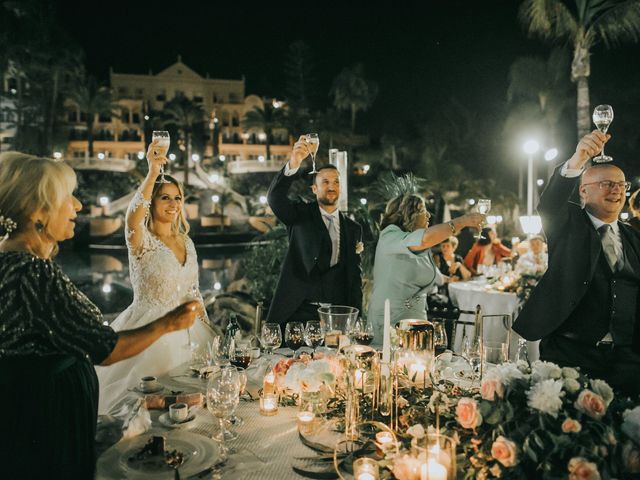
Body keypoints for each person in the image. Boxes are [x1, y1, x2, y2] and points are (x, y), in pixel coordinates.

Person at [0, 152, 199, 478]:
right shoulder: (30, 270)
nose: (78, 206)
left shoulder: (11, 260)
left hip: (23, 414)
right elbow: (106, 349)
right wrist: (169, 322)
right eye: (67, 198)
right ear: (37, 211)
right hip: (46, 420)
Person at [513, 130, 640, 396]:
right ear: (583, 190)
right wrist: (579, 158)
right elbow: (550, 203)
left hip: (626, 358)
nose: (616, 190)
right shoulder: (568, 223)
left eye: (620, 184)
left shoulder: (634, 236)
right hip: (572, 353)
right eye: (606, 183)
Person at [96, 140, 216, 414]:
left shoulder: (186, 241)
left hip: (191, 332)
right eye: (165, 197)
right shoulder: (141, 241)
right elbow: (132, 219)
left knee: (194, 404)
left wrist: (206, 327)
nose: (173, 204)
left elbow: (193, 291)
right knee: (150, 405)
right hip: (149, 330)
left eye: (177, 197)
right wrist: (152, 173)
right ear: (152, 202)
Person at [266, 135, 363, 325]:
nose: (331, 186)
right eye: (325, 182)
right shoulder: (299, 215)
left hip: (337, 315)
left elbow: (354, 278)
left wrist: (357, 317)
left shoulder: (353, 229)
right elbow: (275, 199)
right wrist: (293, 163)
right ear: (314, 189)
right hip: (298, 311)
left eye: (336, 182)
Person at [367, 194, 484, 344]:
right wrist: (462, 222)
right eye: (423, 210)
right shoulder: (390, 236)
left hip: (417, 323)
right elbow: (424, 239)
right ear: (408, 213)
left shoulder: (422, 246)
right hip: (389, 322)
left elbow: (435, 273)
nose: (428, 214)